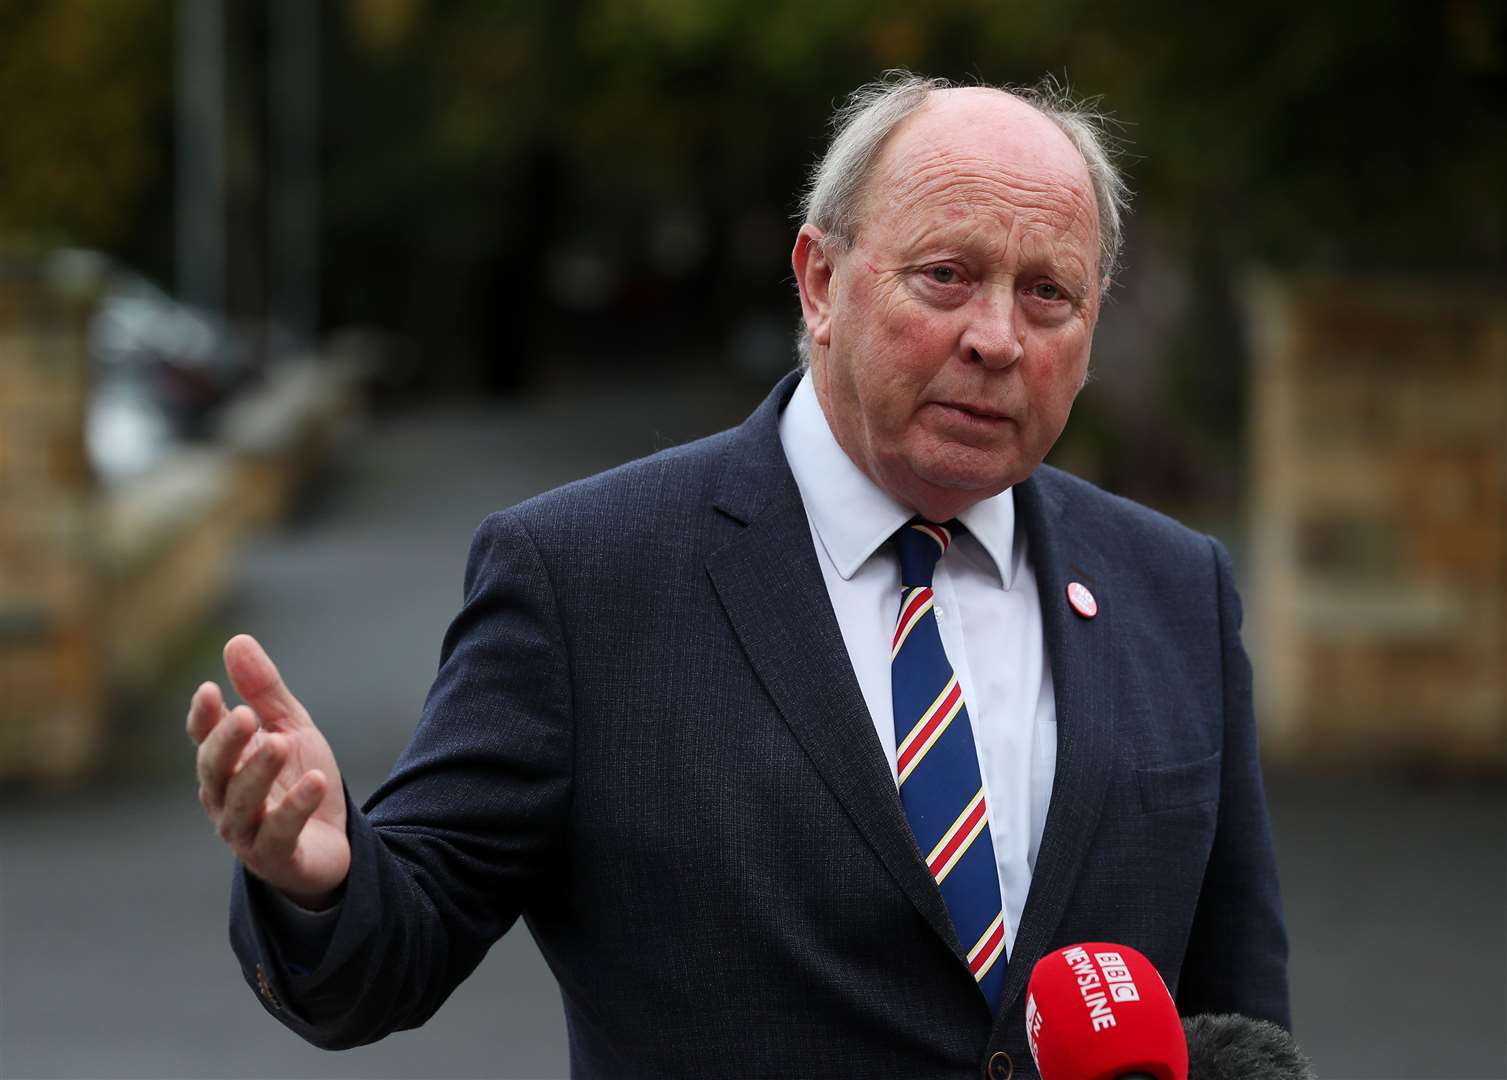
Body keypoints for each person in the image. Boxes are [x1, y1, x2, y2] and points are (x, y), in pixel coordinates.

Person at [188, 73, 1289, 1078]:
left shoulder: (1173, 589)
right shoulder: (584, 578)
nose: (995, 337)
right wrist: (317, 877)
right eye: (946, 276)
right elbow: (399, 942)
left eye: (1047, 294)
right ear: (819, 281)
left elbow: (1242, 1024)